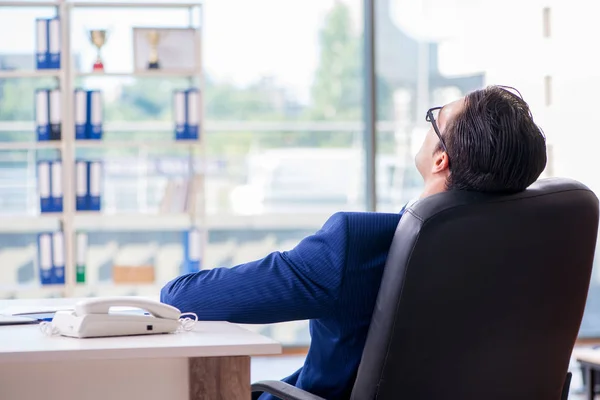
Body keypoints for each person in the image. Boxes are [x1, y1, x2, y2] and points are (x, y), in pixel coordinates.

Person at [160, 85, 547, 399]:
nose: (427, 126)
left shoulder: (357, 245)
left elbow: (182, 299)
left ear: (440, 160)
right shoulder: (533, 245)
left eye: (435, 119)